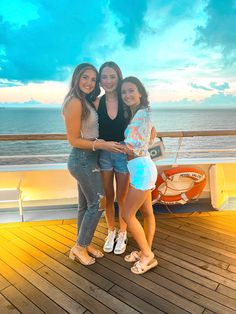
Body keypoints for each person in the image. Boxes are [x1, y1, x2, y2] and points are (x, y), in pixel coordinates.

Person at [62, 63, 123, 265]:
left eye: (93, 79)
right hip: (82, 159)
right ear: (77, 78)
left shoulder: (84, 100)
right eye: (85, 77)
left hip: (88, 158)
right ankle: (79, 247)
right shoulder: (74, 102)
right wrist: (102, 144)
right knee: (98, 204)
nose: (89, 82)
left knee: (84, 206)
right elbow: (73, 139)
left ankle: (83, 244)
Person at [120, 76, 158, 274]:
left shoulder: (141, 114)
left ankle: (148, 256)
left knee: (127, 213)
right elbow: (151, 135)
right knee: (147, 213)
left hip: (141, 170)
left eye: (131, 90)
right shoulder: (142, 113)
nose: (127, 95)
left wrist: (104, 144)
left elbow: (131, 147)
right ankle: (146, 252)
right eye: (124, 92)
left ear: (140, 92)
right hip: (143, 167)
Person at [95, 62, 130, 254]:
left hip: (123, 155)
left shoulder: (126, 100)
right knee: (108, 196)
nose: (108, 81)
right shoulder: (96, 102)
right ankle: (111, 230)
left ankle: (123, 232)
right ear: (100, 80)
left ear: (119, 77)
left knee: (123, 197)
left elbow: (146, 124)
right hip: (104, 155)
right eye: (104, 77)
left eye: (112, 76)